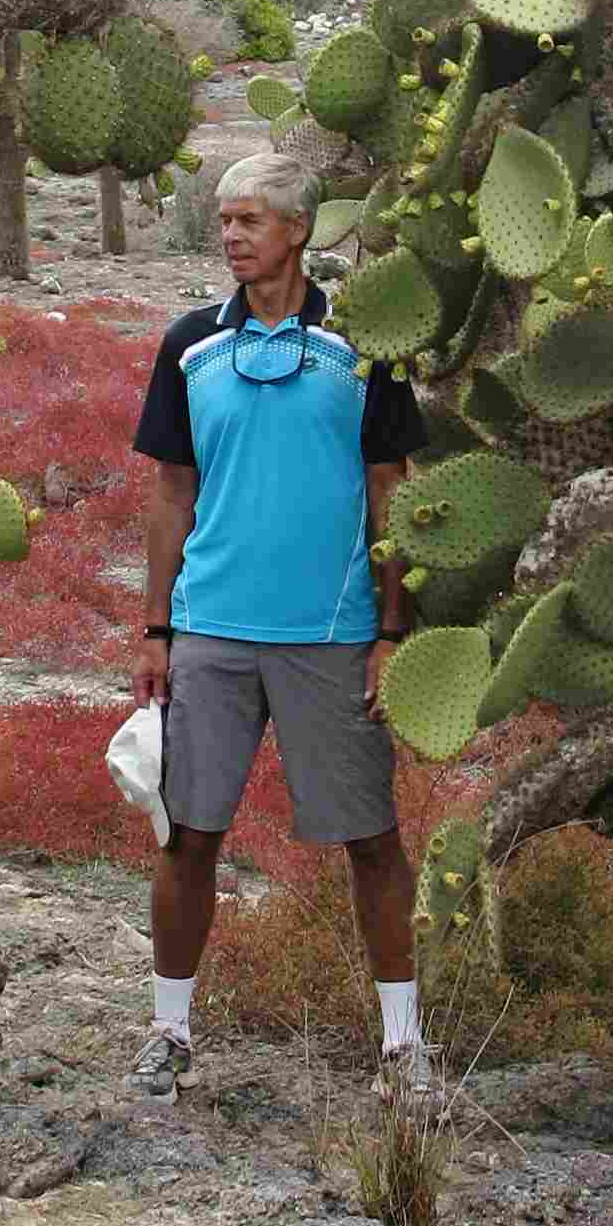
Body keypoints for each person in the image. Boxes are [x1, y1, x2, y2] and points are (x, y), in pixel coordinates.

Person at [125, 151, 429, 1104]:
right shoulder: (187, 345)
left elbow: (392, 493)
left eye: (250, 219)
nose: (231, 235)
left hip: (332, 636)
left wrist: (391, 632)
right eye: (223, 219)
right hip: (209, 631)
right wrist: (154, 628)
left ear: (300, 229)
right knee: (188, 837)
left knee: (372, 839)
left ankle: (404, 1046)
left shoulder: (367, 347)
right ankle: (169, 1034)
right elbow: (172, 491)